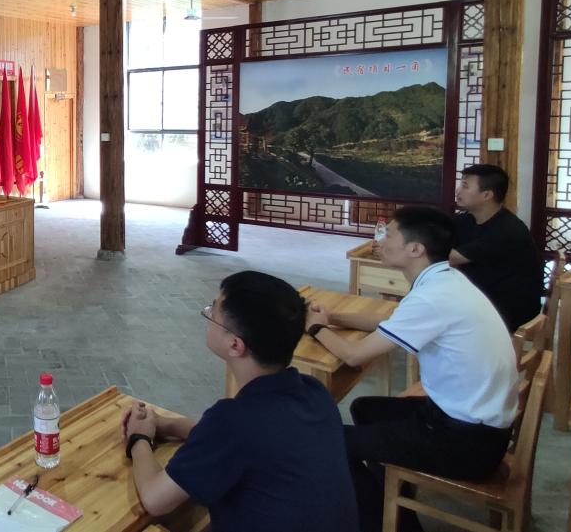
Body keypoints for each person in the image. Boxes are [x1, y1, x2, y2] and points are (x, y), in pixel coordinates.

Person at [305, 206, 519, 532]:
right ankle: (390, 499)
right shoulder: (445, 281)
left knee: (331, 443)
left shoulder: (432, 298)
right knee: (366, 408)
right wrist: (331, 317)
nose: (380, 241)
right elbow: (390, 321)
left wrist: (315, 328)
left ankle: (385, 522)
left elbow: (353, 356)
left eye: (388, 234)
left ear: (415, 248)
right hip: (475, 425)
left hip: (466, 442)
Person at [120, 271, 357, 532]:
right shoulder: (314, 391)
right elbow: (230, 435)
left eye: (213, 312)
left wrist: (139, 438)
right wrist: (164, 424)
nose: (208, 315)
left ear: (235, 345)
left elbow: (155, 499)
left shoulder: (233, 421)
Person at [450, 164, 543, 331]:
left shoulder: (508, 229)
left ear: (487, 195)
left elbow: (451, 258)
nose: (458, 191)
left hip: (507, 310)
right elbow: (439, 240)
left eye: (465, 186)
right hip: (481, 298)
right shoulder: (467, 219)